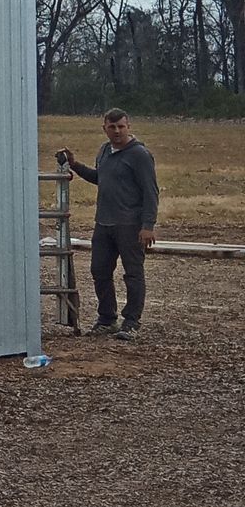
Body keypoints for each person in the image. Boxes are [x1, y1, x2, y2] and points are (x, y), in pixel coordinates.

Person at [57, 109, 159, 340]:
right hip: (103, 223)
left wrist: (148, 225)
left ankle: (131, 322)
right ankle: (107, 319)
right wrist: (74, 164)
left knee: (133, 273)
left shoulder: (140, 155)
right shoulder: (104, 151)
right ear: (104, 128)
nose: (117, 131)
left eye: (121, 127)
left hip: (130, 225)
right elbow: (100, 178)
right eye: (112, 127)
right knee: (99, 271)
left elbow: (151, 192)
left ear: (128, 126)